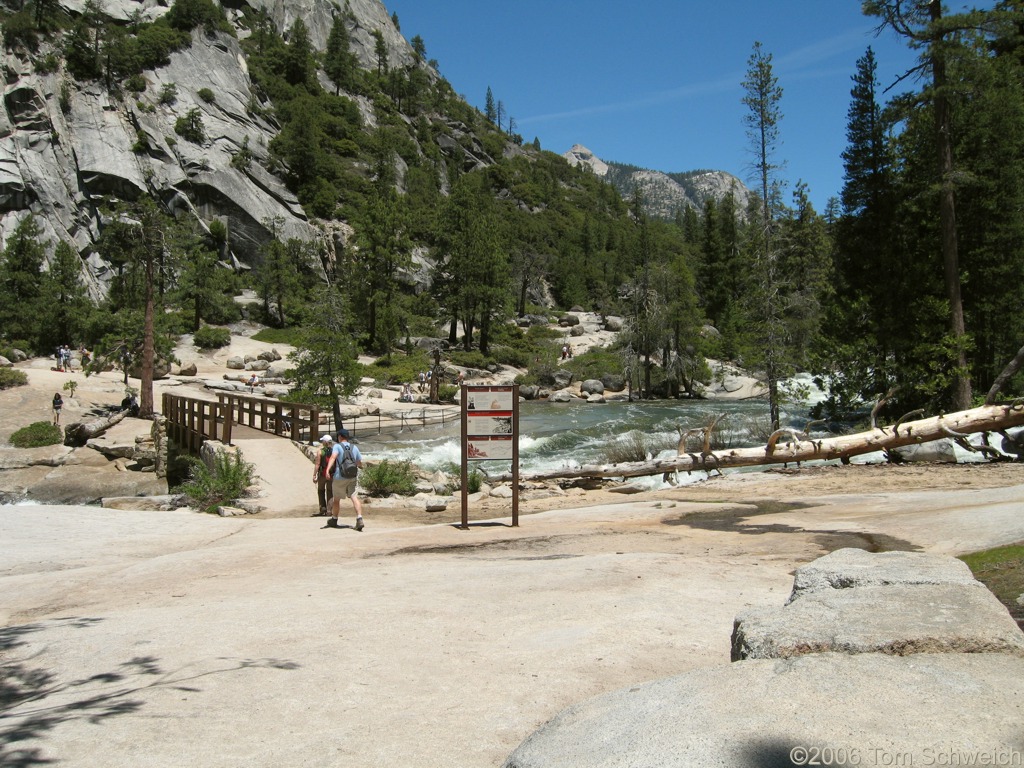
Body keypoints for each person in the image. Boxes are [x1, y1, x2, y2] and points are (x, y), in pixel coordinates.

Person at [325, 428, 364, 531]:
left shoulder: (337, 446)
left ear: (340, 437)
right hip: (352, 476)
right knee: (354, 496)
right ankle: (359, 518)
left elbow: (333, 457)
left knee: (336, 499)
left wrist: (327, 470)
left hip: (340, 476)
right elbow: (359, 463)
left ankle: (334, 519)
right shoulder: (354, 447)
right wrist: (360, 467)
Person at [313, 434, 334, 516]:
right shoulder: (334, 452)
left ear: (324, 442)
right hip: (331, 475)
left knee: (321, 490)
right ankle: (329, 511)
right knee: (330, 491)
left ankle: (323, 508)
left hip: (322, 474)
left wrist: (314, 475)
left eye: (322, 441)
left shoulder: (320, 452)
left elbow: (317, 464)